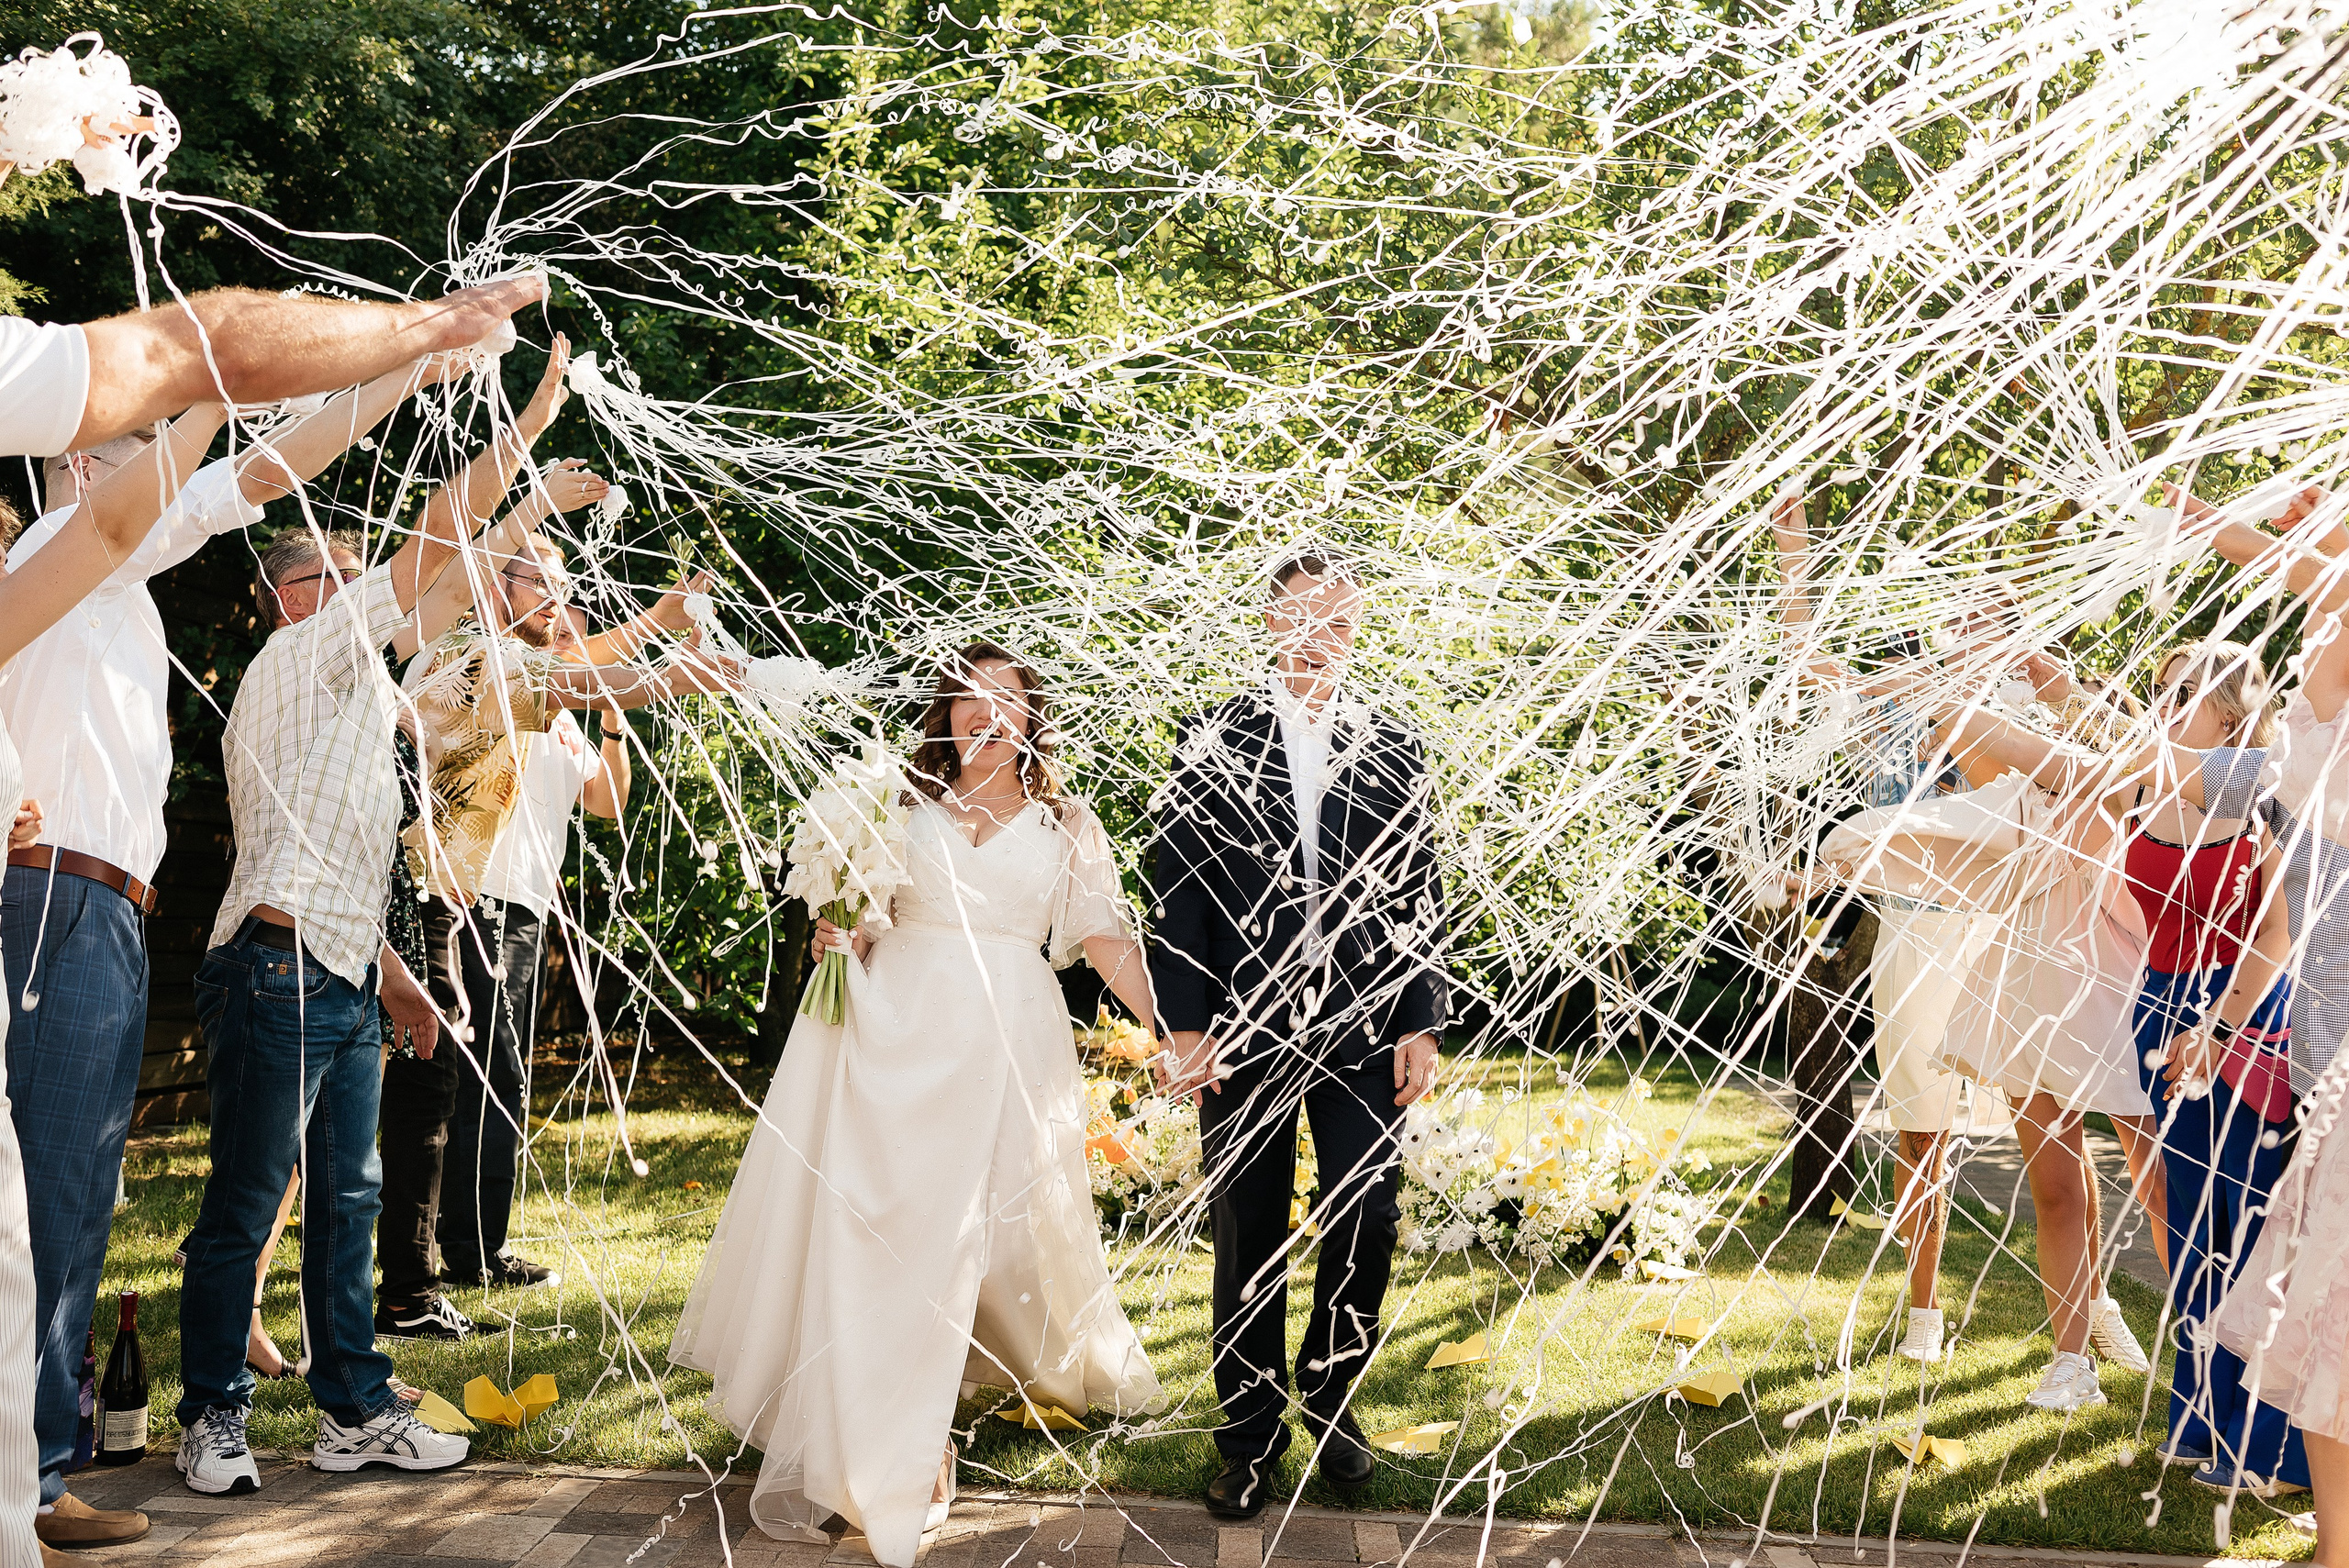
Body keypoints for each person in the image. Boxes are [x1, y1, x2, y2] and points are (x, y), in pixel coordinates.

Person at [0, 364, 451, 1544]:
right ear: (89, 466)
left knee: (76, 1201)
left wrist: (401, 370)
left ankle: (36, 1475)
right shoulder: (70, 551)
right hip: (53, 899)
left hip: (105, 907)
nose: (176, 481)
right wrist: (253, 374)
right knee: (47, 1196)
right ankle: (27, 1489)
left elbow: (250, 472)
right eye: (148, 454)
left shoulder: (106, 587)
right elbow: (251, 473)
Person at [172, 340, 579, 1498]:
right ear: (295, 596)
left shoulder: (358, 698)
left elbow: (343, 855)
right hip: (275, 968)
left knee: (347, 1196)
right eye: (343, 573)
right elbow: (442, 546)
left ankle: (351, 1406)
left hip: (341, 968)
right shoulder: (300, 659)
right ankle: (212, 1412)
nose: (370, 589)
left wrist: (395, 974)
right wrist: (528, 432)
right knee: (248, 1199)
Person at [672, 641, 1163, 1568]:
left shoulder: (1066, 821)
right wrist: (837, 935)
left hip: (1006, 1041)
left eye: (1006, 698)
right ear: (945, 712)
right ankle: (914, 1437)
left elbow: (1103, 937)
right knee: (887, 1225)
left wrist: (1169, 1027)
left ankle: (942, 1388)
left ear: (1030, 716)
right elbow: (865, 915)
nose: (986, 712)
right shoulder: (898, 802)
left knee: (980, 1237)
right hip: (894, 1028)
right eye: (968, 696)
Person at [1149, 555, 1448, 1519]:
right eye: (1304, 615)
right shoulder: (1212, 736)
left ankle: (1330, 1392)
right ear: (1272, 621)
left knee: (1368, 1214)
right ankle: (1246, 1439)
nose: (1321, 634)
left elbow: (1419, 888)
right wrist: (1184, 1026)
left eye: (1339, 619)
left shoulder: (1393, 743)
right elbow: (1177, 888)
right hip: (1240, 1028)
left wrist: (1422, 1019)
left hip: (1363, 1023)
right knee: (1248, 1229)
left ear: (1356, 630)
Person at [384, 506, 709, 1318]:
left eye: (568, 590)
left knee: (500, 1073)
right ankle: (439, 1255)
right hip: (460, 893)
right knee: (458, 1073)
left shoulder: (556, 701)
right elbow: (571, 663)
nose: (562, 602)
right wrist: (659, 626)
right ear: (497, 583)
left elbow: (608, 800)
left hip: (526, 900)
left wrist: (618, 709)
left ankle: (473, 1243)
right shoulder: (468, 655)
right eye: (543, 583)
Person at [2121, 639, 2306, 1494]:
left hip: (2247, 1014)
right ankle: (2197, 1416)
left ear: (2232, 713)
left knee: (2254, 1224)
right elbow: (2059, 760)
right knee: (2193, 1224)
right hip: (2160, 1013)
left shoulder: (2268, 794)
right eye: (2164, 687)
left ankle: (2264, 1442)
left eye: (2189, 691)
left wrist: (2220, 1025)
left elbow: (2278, 931)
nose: (2168, 701)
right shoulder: (2146, 783)